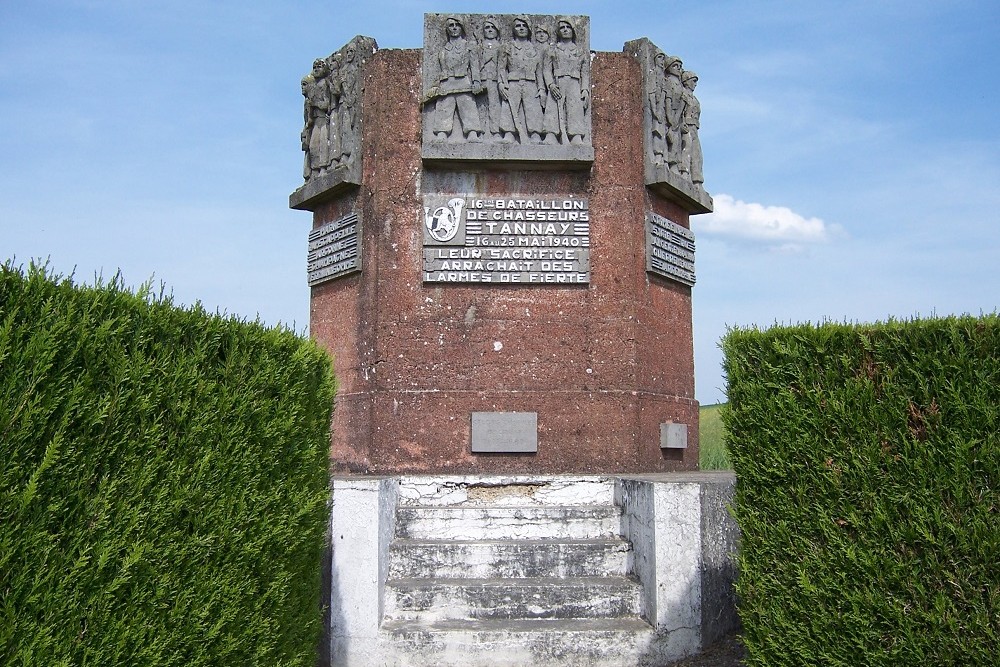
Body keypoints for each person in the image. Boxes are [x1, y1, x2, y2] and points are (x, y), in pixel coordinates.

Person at [429, 16, 483, 142]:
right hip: (447, 81)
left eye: (457, 25)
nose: (454, 28)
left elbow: (474, 66)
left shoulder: (468, 46)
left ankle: (472, 132)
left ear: (461, 27)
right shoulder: (443, 50)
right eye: (451, 25)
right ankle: (442, 132)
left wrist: (476, 81)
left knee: (467, 105)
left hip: (463, 79)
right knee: (445, 106)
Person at [498, 16, 545, 144]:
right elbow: (502, 68)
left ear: (529, 29)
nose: (521, 28)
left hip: (530, 82)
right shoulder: (507, 47)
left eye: (524, 26)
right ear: (514, 29)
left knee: (533, 108)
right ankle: (509, 133)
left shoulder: (535, 48)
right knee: (509, 107)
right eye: (518, 26)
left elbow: (539, 71)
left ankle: (535, 134)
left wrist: (541, 88)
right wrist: (501, 83)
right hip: (512, 81)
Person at [549, 19, 590, 145]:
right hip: (558, 81)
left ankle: (576, 136)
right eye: (562, 28)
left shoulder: (580, 51)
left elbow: (585, 72)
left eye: (568, 27)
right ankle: (551, 134)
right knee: (553, 108)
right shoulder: (553, 50)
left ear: (573, 31)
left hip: (574, 82)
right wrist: (550, 84)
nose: (565, 30)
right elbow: (546, 69)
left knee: (575, 108)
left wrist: (585, 89)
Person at [477, 17, 512, 142]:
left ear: (497, 31)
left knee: (494, 106)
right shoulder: (478, 47)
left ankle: (495, 132)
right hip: (481, 79)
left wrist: (502, 83)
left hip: (495, 80)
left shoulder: (501, 47)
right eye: (487, 27)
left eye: (493, 27)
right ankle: (479, 132)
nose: (490, 30)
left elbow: (502, 67)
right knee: (480, 106)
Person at [302, 59, 333, 178]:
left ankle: (323, 168)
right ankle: (315, 171)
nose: (316, 69)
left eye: (319, 67)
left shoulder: (324, 83)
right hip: (316, 122)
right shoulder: (314, 87)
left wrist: (315, 103)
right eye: (314, 67)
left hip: (322, 120)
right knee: (314, 146)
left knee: (323, 143)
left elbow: (326, 104)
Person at [680, 70, 704, 186]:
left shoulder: (695, 100)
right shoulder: (682, 94)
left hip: (695, 128)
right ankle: (684, 173)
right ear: (687, 81)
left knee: (697, 154)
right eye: (693, 81)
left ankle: (697, 180)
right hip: (686, 127)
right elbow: (678, 111)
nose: (695, 84)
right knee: (686, 149)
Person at [662, 55, 686, 174]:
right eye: (675, 65)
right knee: (672, 140)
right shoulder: (669, 82)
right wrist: (671, 119)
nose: (678, 68)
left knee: (678, 142)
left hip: (678, 118)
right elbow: (668, 101)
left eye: (680, 66)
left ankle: (675, 165)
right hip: (671, 116)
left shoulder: (680, 86)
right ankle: (671, 163)